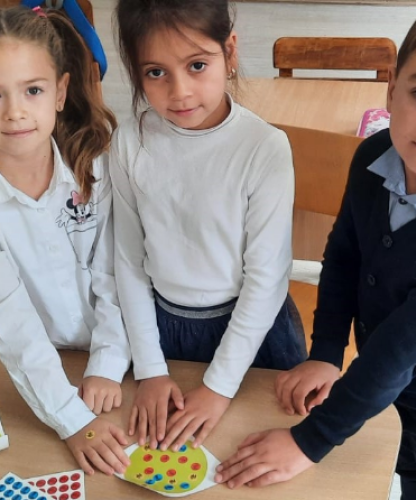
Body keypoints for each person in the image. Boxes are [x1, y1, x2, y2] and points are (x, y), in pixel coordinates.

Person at [215, 0, 416, 497]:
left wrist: (309, 442)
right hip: (373, 383)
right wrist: (328, 352)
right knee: (380, 474)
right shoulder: (374, 156)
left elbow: (402, 348)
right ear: (393, 87)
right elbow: (344, 256)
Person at [111, 0, 307, 453]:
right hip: (160, 332)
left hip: (253, 333)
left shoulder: (265, 147)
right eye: (155, 72)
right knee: (156, 455)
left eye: (197, 65)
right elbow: (128, 260)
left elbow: (266, 279)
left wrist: (219, 388)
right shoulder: (129, 141)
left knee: (247, 457)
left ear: (230, 52)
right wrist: (151, 369)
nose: (179, 92)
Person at [0, 6, 131, 476]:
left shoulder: (97, 164)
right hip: (26, 371)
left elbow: (117, 270)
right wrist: (71, 420)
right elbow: (13, 320)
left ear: (60, 92)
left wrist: (107, 359)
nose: (15, 111)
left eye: (33, 90)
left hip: (116, 357)